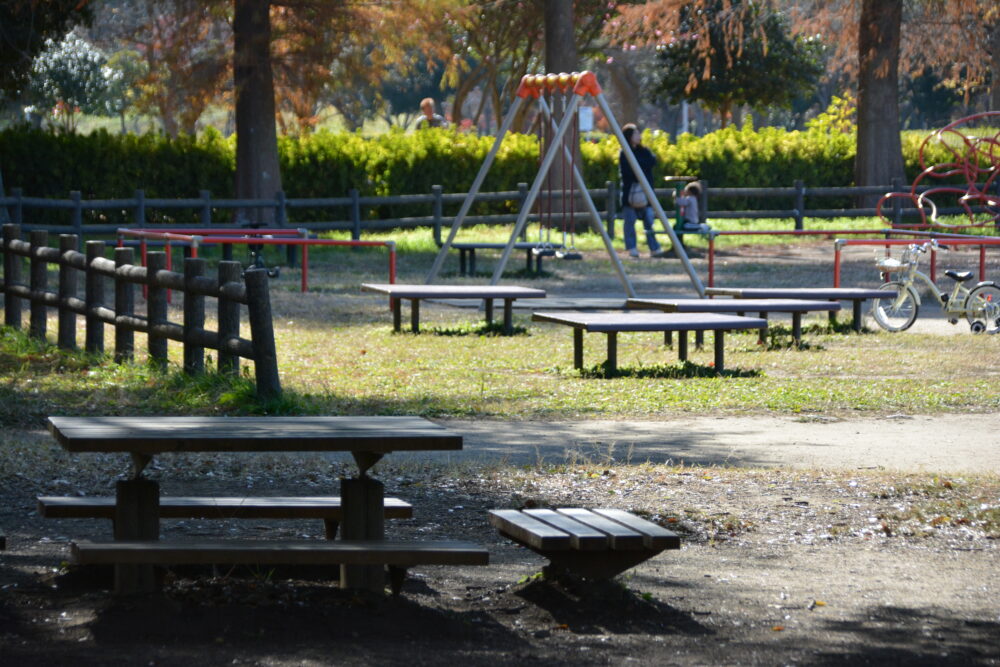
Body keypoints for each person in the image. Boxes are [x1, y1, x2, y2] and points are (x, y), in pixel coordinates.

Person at [618, 123, 666, 258]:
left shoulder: (644, 151)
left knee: (649, 221)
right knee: (630, 222)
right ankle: (632, 248)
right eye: (635, 134)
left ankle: (654, 247)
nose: (639, 136)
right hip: (630, 194)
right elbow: (628, 171)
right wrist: (640, 166)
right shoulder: (624, 153)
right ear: (629, 137)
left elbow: (651, 161)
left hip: (645, 193)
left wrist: (637, 165)